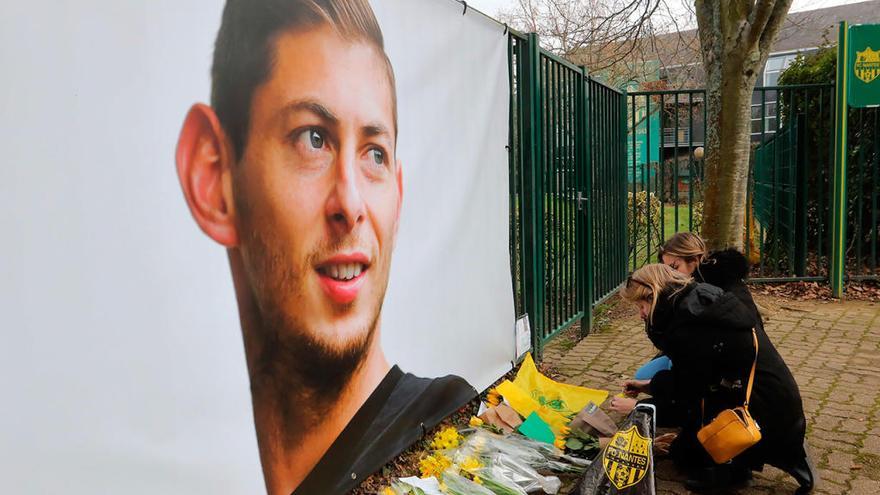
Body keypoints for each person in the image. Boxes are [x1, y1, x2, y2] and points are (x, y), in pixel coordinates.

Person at [174, 1, 475, 493]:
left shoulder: (447, 439)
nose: (351, 204)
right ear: (213, 178)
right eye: (313, 139)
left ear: (397, 195)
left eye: (374, 153)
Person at [619, 264, 815, 494]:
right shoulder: (697, 303)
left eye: (641, 306)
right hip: (775, 398)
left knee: (686, 458)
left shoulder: (686, 323)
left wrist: (641, 406)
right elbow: (697, 374)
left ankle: (735, 468)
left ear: (653, 295)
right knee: (684, 452)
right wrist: (650, 386)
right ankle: (742, 462)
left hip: (762, 410)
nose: (640, 314)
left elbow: (690, 390)